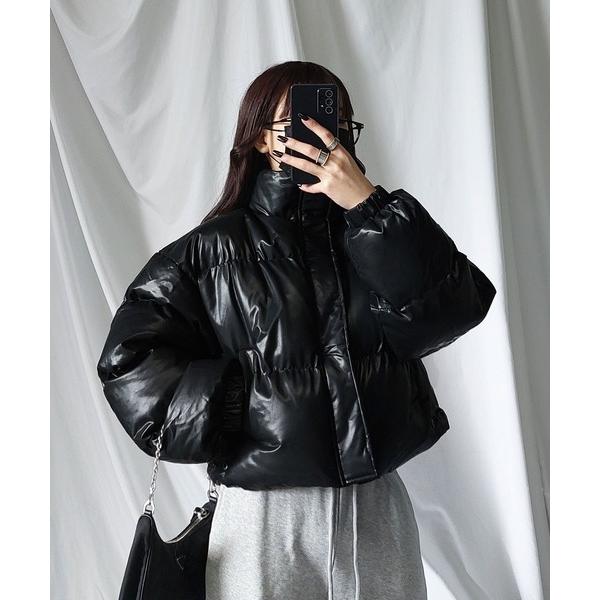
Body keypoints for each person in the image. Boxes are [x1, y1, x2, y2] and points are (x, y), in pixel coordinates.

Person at [97, 60, 496, 600]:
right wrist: (235, 401)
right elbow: (129, 361)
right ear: (262, 138)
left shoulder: (375, 231)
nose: (322, 136)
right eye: (300, 121)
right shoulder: (212, 251)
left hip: (375, 506)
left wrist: (367, 205)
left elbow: (454, 309)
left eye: (335, 122)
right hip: (265, 517)